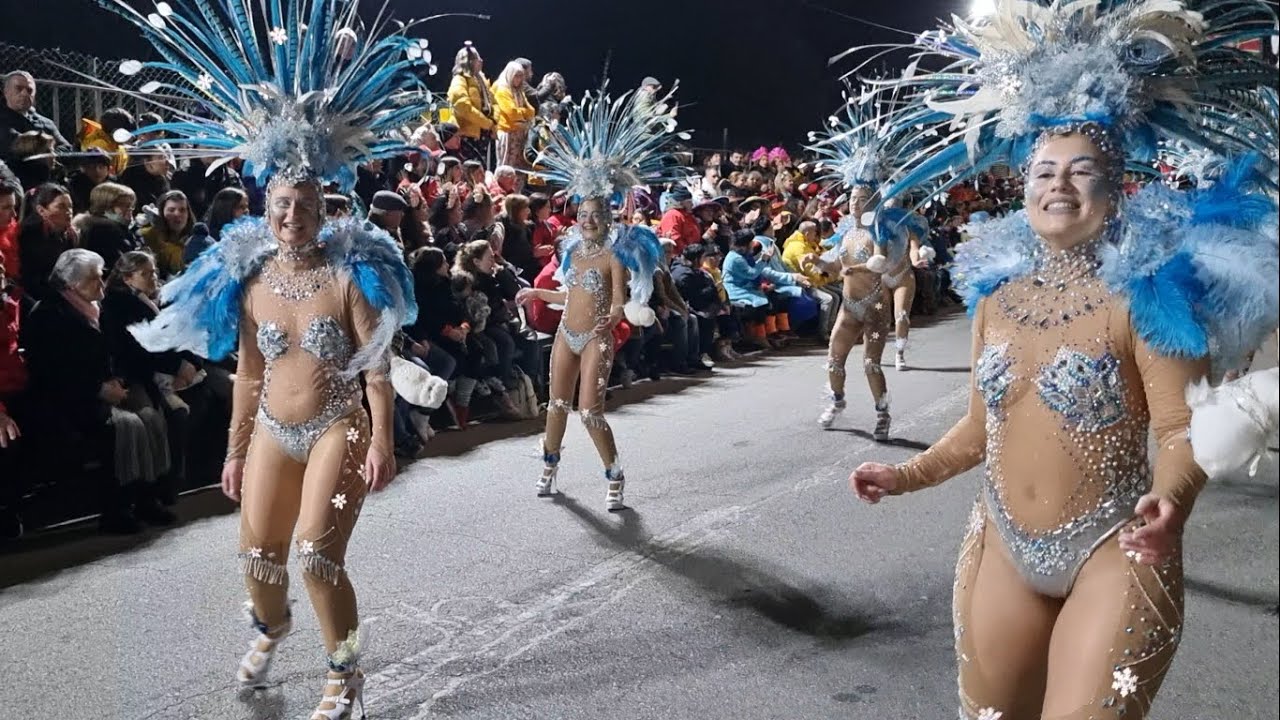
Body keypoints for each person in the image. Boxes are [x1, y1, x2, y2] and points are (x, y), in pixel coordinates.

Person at [842, 1, 1278, 717]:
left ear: (1116, 186)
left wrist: (1169, 507)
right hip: (1001, 547)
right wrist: (905, 474)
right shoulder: (995, 300)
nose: (1059, 186)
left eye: (1082, 171)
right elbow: (982, 429)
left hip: (1117, 547)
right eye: (1044, 171)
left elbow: (1180, 429)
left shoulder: (1145, 297)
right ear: (1024, 185)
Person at [102, 1, 427, 716]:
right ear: (266, 200)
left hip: (340, 431)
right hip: (275, 433)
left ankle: (345, 674)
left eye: (303, 203)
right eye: (280, 204)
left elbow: (376, 361)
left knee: (315, 555)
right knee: (257, 557)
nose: (290, 217)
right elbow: (249, 371)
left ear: (322, 201)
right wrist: (236, 450)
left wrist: (380, 438)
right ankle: (272, 628)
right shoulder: (251, 280)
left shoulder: (349, 275)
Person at [515, 82, 684, 511]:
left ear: (607, 218)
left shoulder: (614, 255)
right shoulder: (571, 251)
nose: (588, 221)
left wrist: (612, 317)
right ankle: (549, 466)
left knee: (589, 411)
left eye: (596, 215)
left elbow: (616, 301)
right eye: (583, 215)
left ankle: (614, 474)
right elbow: (566, 296)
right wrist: (536, 291)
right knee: (554, 404)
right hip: (565, 335)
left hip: (596, 337)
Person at [447, 42, 496, 164]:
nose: (481, 61)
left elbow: (494, 103)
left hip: (484, 135)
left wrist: (494, 122)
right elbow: (463, 106)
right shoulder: (459, 80)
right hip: (467, 137)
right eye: (477, 58)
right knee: (469, 171)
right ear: (468, 62)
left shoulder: (482, 80)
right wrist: (487, 123)